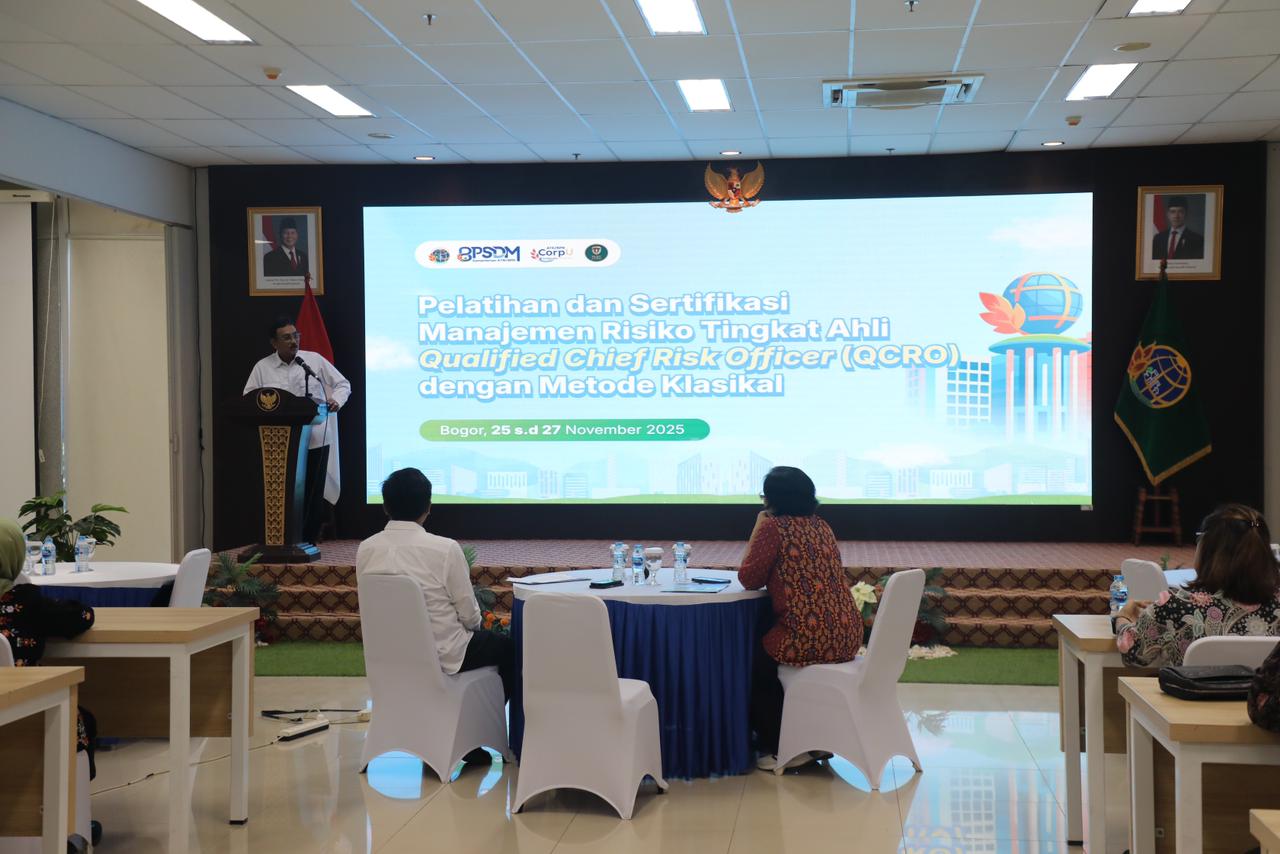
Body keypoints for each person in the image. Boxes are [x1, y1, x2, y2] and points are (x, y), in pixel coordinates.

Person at [356, 468, 514, 761]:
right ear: (428, 507)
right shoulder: (444, 549)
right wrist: (474, 627)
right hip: (445, 653)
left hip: (389, 656)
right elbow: (470, 615)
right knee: (509, 650)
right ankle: (472, 734)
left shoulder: (366, 549)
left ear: (385, 506)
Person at [738, 466, 863, 771]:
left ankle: (782, 747)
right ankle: (813, 737)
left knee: (753, 664)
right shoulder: (822, 525)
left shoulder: (773, 528)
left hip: (808, 637)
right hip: (846, 634)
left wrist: (758, 526)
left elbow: (749, 579)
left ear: (772, 499)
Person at [0, 518, 101, 846]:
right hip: (27, 718)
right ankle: (74, 821)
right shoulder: (27, 602)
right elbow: (81, 617)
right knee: (82, 720)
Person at [1116, 503, 1280, 667]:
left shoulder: (1173, 607)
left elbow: (1134, 655)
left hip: (1195, 685)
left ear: (1209, 550)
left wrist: (1123, 618)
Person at [244, 316, 351, 543]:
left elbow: (343, 384)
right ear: (274, 343)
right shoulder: (262, 367)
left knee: (311, 492)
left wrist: (336, 400)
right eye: (286, 338)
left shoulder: (313, 361)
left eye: (295, 335)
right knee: (284, 493)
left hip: (315, 439)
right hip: (277, 445)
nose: (293, 341)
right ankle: (282, 540)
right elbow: (249, 398)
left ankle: (308, 540)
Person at [1151, 195, 1204, 260]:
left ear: (1186, 214)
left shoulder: (1197, 240)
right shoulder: (1158, 238)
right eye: (1173, 212)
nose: (1176, 216)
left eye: (1180, 212)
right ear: (1168, 214)